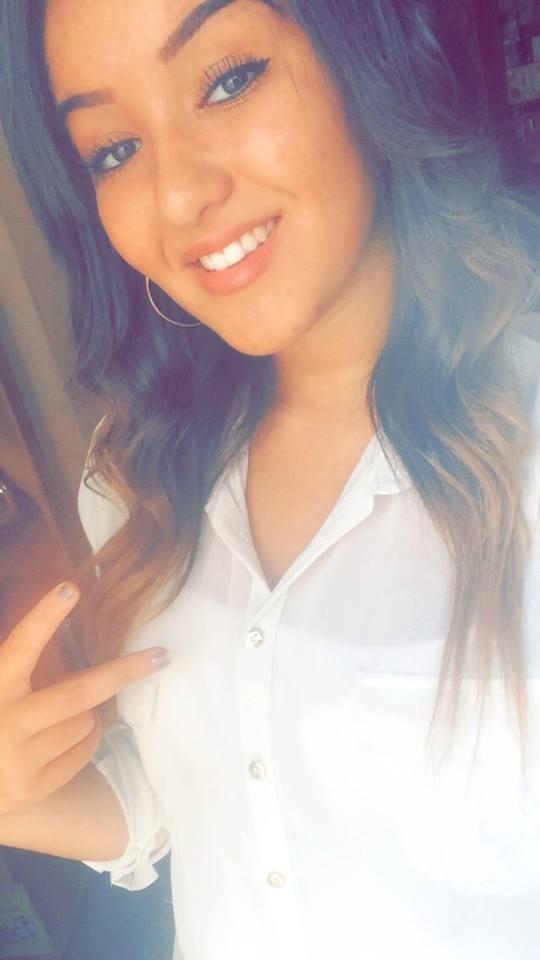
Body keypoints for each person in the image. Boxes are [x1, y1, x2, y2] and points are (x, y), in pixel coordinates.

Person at [1, 0, 540, 957]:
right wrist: (20, 797)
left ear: (365, 54)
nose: (177, 197)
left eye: (228, 80)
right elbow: (201, 806)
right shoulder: (136, 472)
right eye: (113, 150)